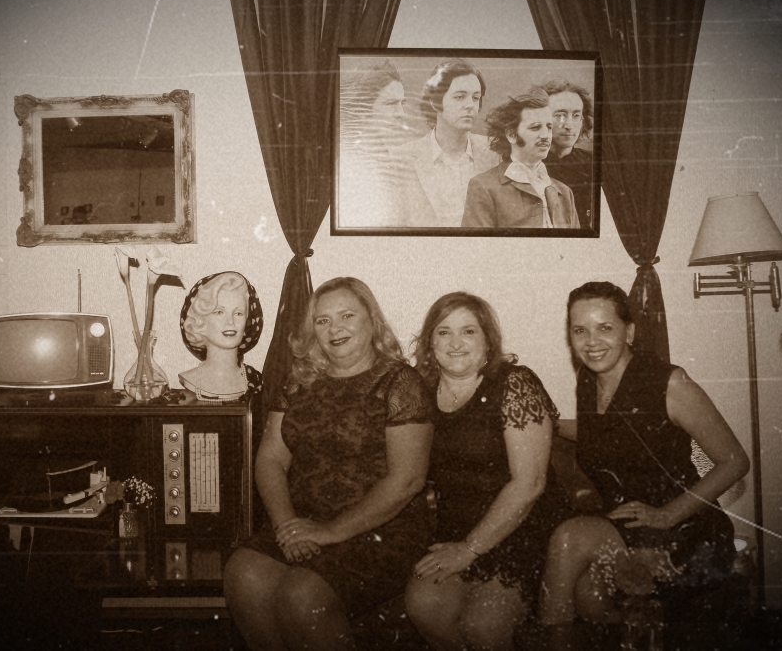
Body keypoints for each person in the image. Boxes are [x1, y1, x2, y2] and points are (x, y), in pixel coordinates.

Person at [223, 277, 434, 650]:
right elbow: (270, 459)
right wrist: (285, 525)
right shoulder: (299, 383)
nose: (335, 328)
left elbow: (408, 480)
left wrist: (332, 532)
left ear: (372, 320)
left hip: (382, 531)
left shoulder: (400, 382)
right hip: (306, 522)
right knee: (243, 573)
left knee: (302, 593)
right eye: (322, 320)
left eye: (346, 315)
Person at [539, 281, 750, 636]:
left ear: (630, 331)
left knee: (569, 536)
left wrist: (668, 514)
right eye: (580, 330)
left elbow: (735, 462)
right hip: (630, 526)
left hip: (686, 533)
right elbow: (603, 432)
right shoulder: (588, 379)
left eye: (605, 328)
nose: (591, 342)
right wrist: (544, 423)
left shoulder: (669, 383)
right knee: (588, 597)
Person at [404, 292, 571, 650]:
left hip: (523, 529)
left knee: (484, 627)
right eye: (444, 332)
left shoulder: (515, 384)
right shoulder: (419, 393)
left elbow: (530, 484)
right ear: (430, 343)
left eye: (468, 331)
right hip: (456, 529)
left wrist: (469, 550)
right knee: (423, 606)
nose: (456, 343)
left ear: (488, 341)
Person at [392, 58, 501, 227]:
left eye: (475, 97)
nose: (470, 105)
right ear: (434, 101)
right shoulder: (401, 158)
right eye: (459, 97)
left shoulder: (496, 153)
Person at [462, 89, 580, 229]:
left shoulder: (565, 192)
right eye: (535, 127)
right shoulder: (483, 186)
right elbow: (476, 242)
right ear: (512, 135)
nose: (545, 135)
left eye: (549, 127)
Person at [336, 60, 421, 228]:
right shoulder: (349, 165)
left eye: (402, 103)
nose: (401, 113)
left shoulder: (395, 161)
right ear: (363, 109)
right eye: (391, 104)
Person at [178, 271, 263, 402]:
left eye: (238, 313)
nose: (230, 322)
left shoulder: (254, 380)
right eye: (219, 312)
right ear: (200, 320)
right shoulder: (190, 379)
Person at [538, 78, 595, 230]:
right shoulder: (526, 165)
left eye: (576, 115)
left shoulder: (593, 163)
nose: (569, 125)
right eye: (560, 115)